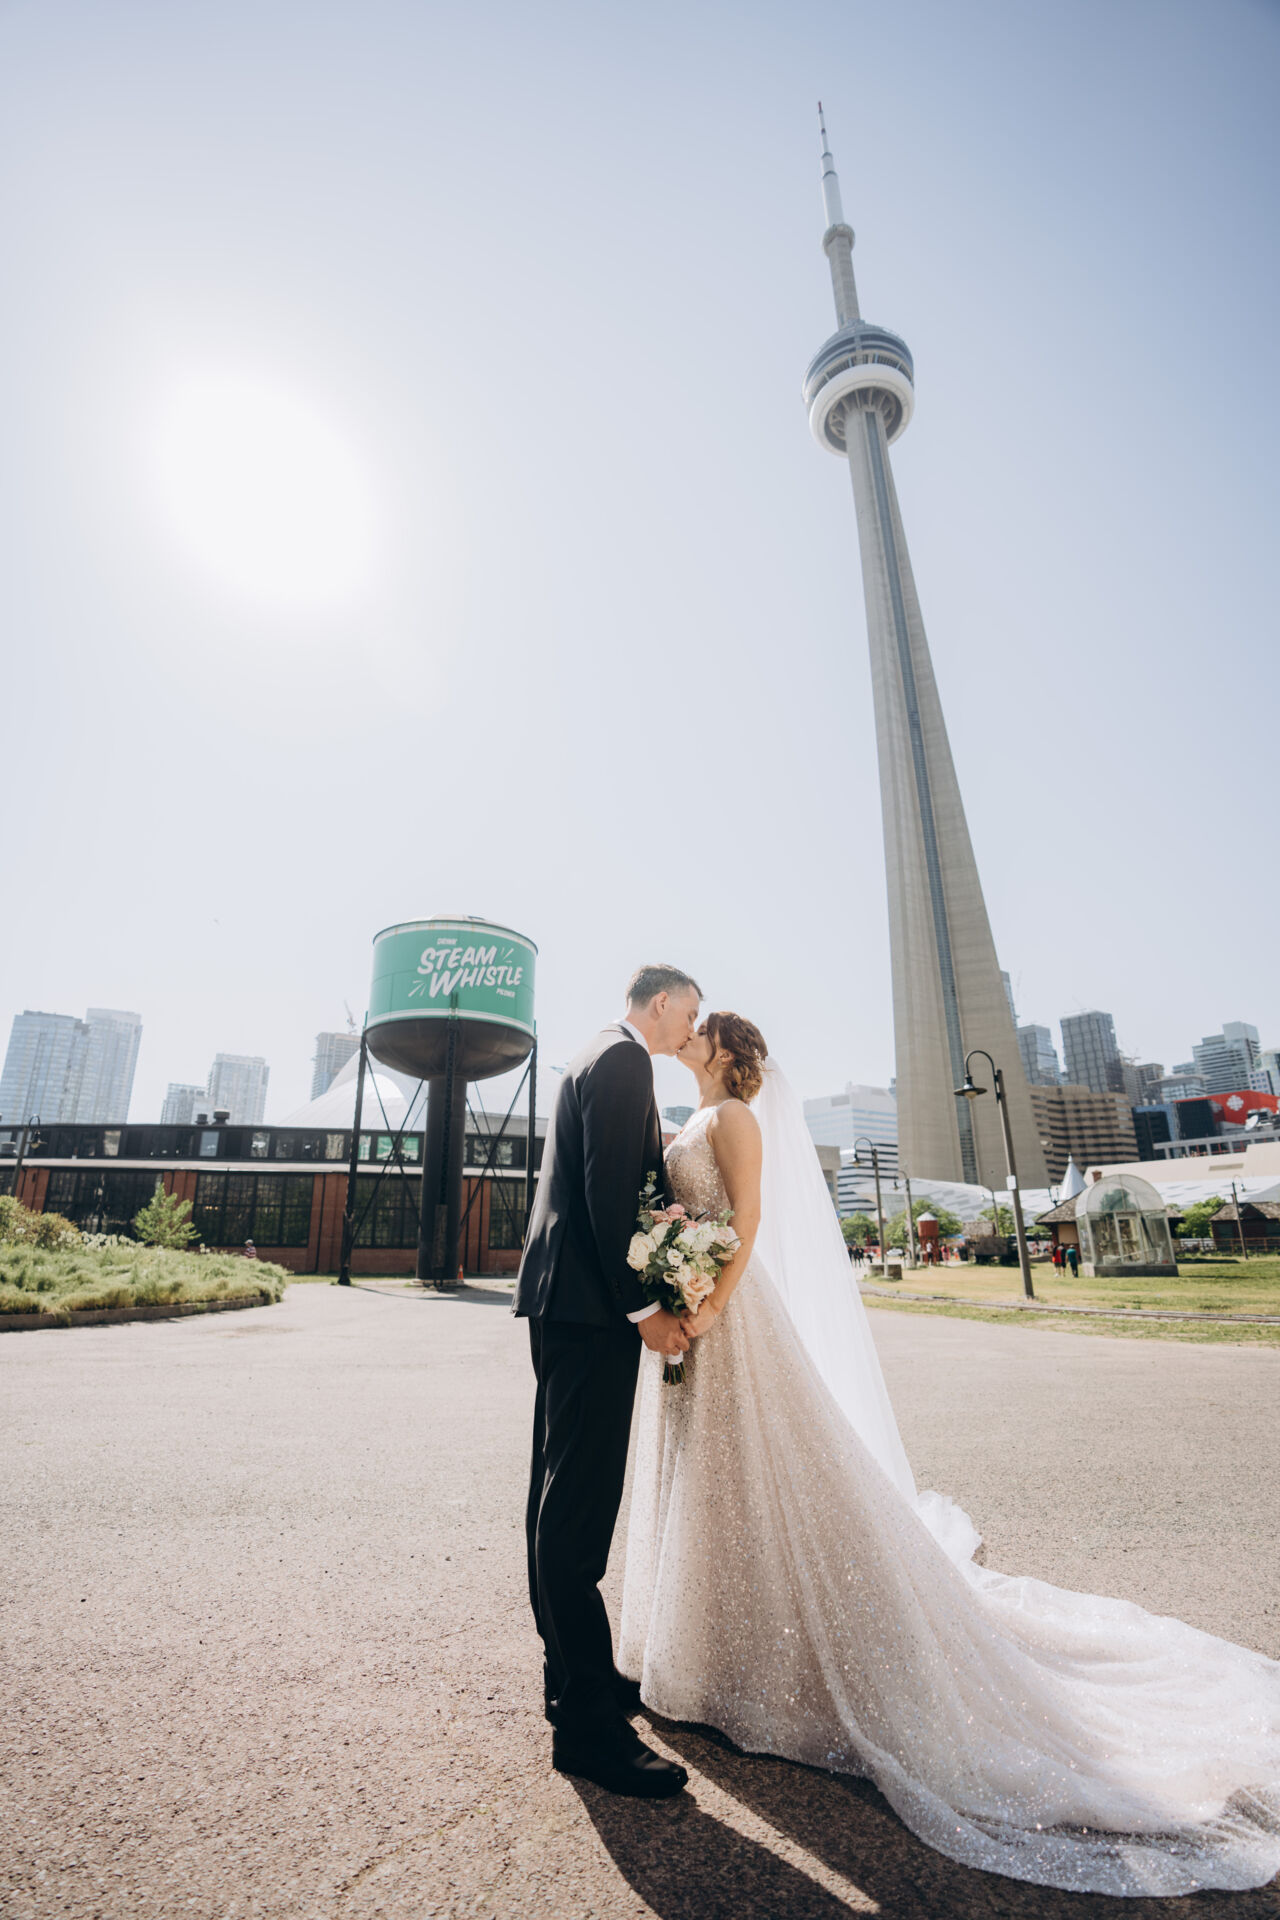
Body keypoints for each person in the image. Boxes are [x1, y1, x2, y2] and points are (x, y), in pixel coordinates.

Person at [619, 1013, 1280, 1896]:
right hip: (694, 1310)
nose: (690, 1032)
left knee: (765, 1469)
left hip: (732, 1317)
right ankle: (713, 1649)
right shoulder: (688, 1117)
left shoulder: (733, 1117)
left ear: (730, 1054)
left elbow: (748, 1220)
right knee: (715, 1480)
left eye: (704, 1028)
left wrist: (707, 1306)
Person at [514, 964, 702, 1800]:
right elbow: (607, 1195)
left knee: (555, 1496)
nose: (687, 1030)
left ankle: (574, 1676)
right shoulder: (624, 1061)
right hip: (592, 1311)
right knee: (578, 1513)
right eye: (687, 1014)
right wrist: (644, 1310)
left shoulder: (591, 1055)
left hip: (563, 1304)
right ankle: (588, 1729)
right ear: (660, 1003)